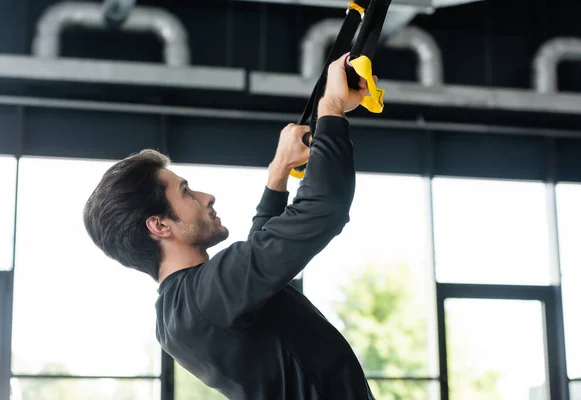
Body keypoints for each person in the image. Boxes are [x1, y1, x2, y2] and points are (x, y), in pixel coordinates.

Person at [83, 53, 376, 399]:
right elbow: (322, 209)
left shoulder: (181, 310)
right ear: (160, 225)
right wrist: (331, 107)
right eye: (186, 192)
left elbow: (261, 260)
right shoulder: (202, 297)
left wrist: (278, 173)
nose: (207, 197)